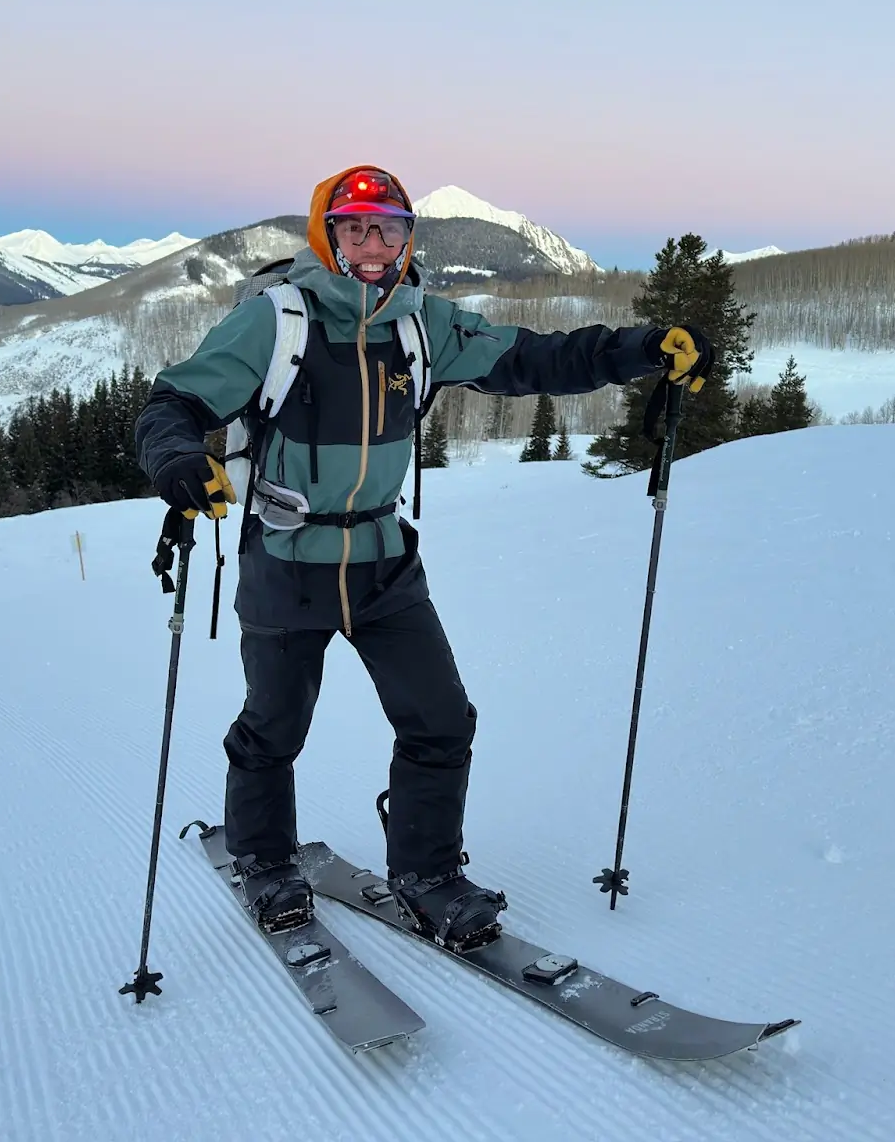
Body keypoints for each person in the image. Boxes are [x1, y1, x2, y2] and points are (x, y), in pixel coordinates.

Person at [134, 165, 713, 950]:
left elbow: (533, 358)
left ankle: (428, 874)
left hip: (383, 561)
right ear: (327, 237)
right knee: (274, 726)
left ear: (408, 238)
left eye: (390, 228)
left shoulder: (422, 325)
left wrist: (640, 349)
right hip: (286, 558)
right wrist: (175, 458)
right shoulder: (277, 321)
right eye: (355, 228)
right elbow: (174, 401)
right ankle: (265, 860)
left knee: (440, 719)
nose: (374, 245)